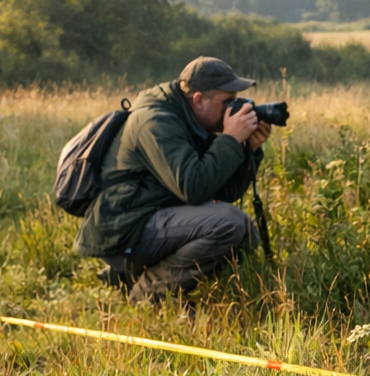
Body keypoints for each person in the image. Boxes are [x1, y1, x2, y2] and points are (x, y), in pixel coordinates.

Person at [75, 56, 273, 304]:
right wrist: (231, 140)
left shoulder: (193, 119)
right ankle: (147, 294)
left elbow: (224, 192)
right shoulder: (156, 121)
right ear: (199, 99)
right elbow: (194, 188)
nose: (236, 109)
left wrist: (248, 150)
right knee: (231, 225)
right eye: (228, 102)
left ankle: (127, 277)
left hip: (148, 219)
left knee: (245, 234)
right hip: (124, 230)